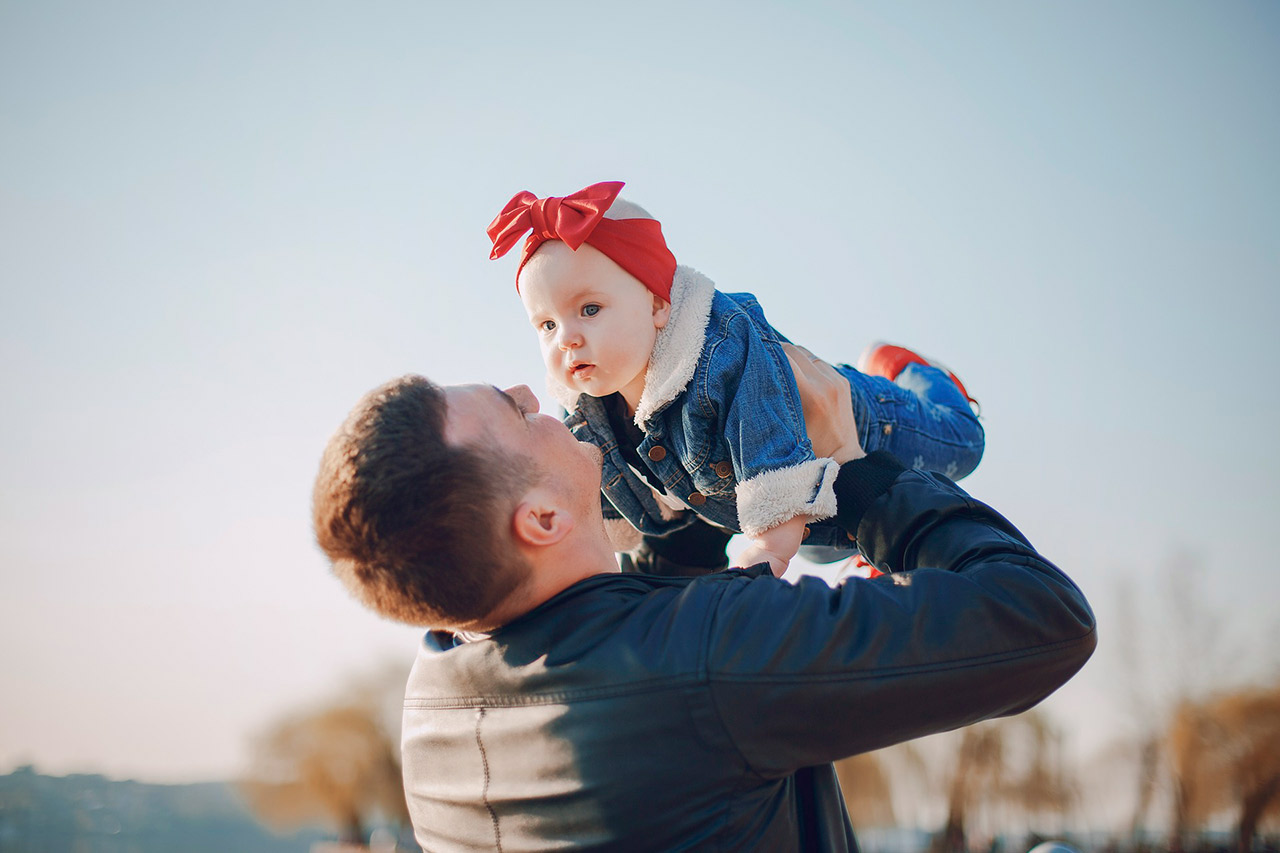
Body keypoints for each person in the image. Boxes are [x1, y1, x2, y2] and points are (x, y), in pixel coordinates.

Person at [311, 349, 1096, 852]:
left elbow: (631, 653)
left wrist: (686, 475)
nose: (529, 388)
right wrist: (856, 470)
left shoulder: (434, 709)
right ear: (541, 520)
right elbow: (1041, 617)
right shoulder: (710, 661)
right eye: (515, 411)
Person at [487, 180, 986, 576]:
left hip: (869, 419)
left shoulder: (722, 352)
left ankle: (915, 373)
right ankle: (872, 550)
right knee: (819, 546)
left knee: (964, 444)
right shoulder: (583, 412)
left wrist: (766, 547)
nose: (566, 339)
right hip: (807, 507)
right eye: (547, 325)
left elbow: (772, 463)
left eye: (590, 309)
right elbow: (597, 502)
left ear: (658, 305)